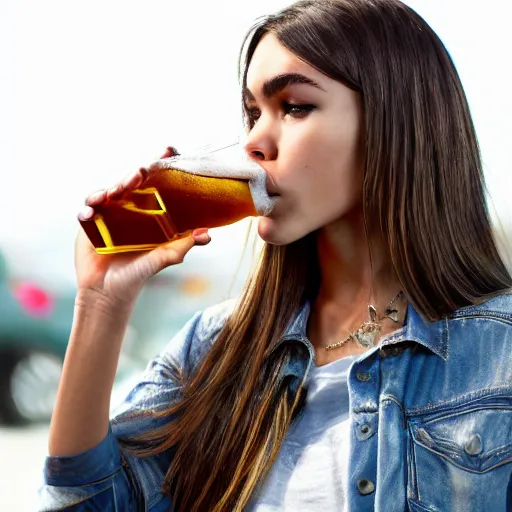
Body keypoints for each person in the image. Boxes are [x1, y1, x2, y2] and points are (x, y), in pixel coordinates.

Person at [40, 1, 512, 511]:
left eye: (293, 106)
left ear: (393, 121)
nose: (254, 142)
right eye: (252, 113)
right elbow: (81, 503)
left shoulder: (498, 352)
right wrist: (100, 307)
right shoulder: (213, 349)